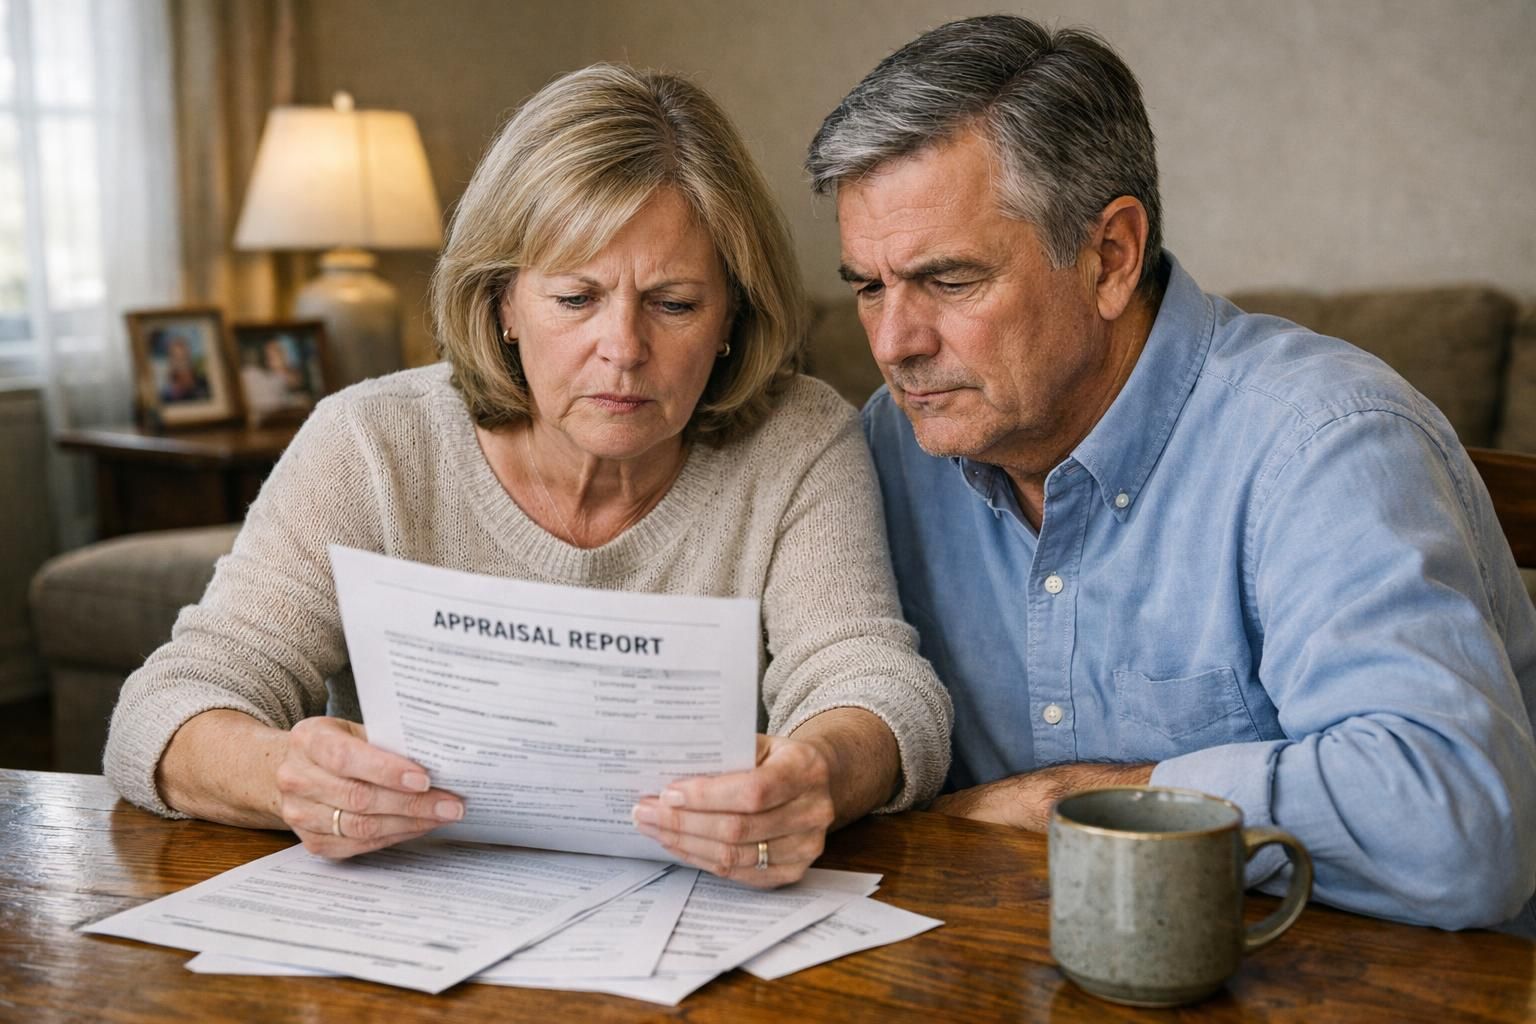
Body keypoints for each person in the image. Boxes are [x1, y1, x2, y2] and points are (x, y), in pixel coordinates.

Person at [104, 64, 952, 888]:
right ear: (504, 303)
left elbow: (872, 680)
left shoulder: (799, 438)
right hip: (419, 911)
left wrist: (818, 775)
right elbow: (164, 710)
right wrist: (280, 773)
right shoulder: (371, 443)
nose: (623, 348)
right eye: (576, 299)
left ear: (733, 314)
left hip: (702, 914)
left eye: (675, 303)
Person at [807, 15, 1536, 933]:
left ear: (1110, 257)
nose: (893, 344)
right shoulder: (882, 449)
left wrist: (1072, 803)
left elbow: (1459, 830)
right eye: (868, 286)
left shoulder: (1325, 443)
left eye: (949, 281)